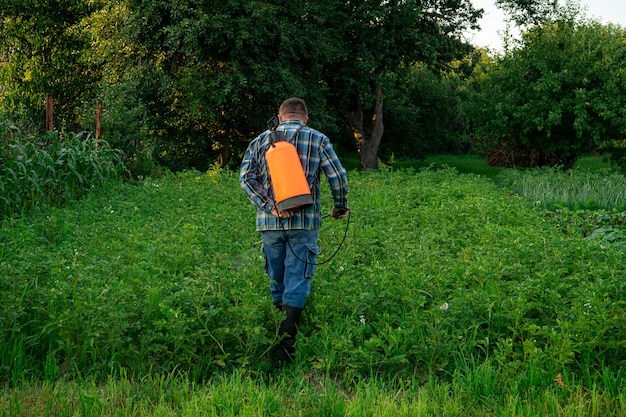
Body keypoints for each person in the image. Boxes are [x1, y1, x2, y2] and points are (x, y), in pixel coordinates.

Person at [240, 97, 349, 363]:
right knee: (297, 279)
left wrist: (270, 206)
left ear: (279, 117)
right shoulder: (318, 139)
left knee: (276, 278)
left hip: (271, 223)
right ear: (305, 118)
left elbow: (245, 178)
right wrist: (340, 205)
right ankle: (286, 347)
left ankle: (275, 339)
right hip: (305, 223)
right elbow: (337, 176)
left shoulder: (260, 141)